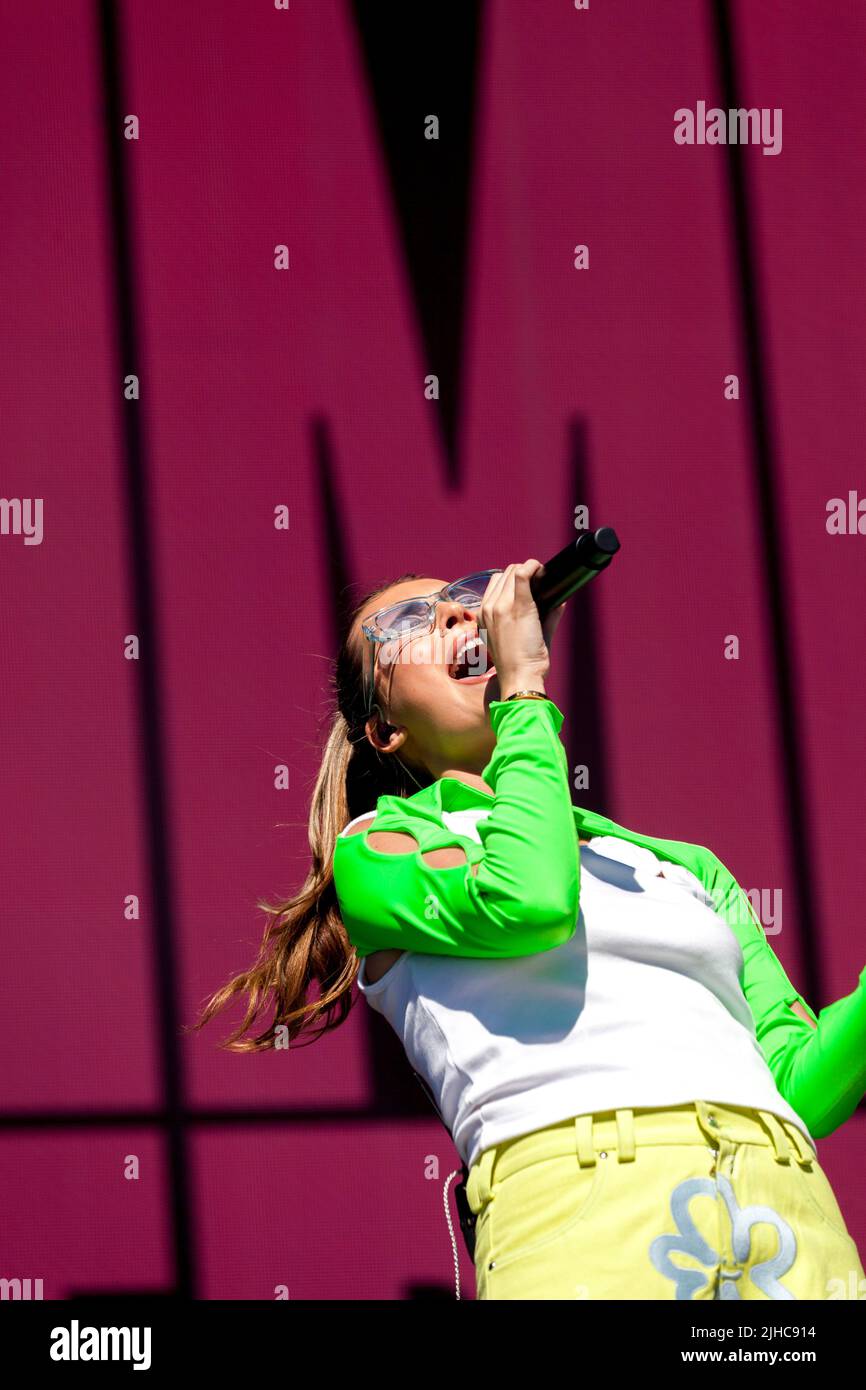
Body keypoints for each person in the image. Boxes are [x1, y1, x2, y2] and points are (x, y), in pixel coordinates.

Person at [192, 559, 866, 1301]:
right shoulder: (380, 848)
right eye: (411, 623)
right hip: (584, 1206)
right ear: (384, 731)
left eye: (463, 603)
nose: (456, 617)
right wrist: (524, 693)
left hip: (789, 1211)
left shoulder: (681, 865)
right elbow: (531, 901)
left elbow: (798, 1087)